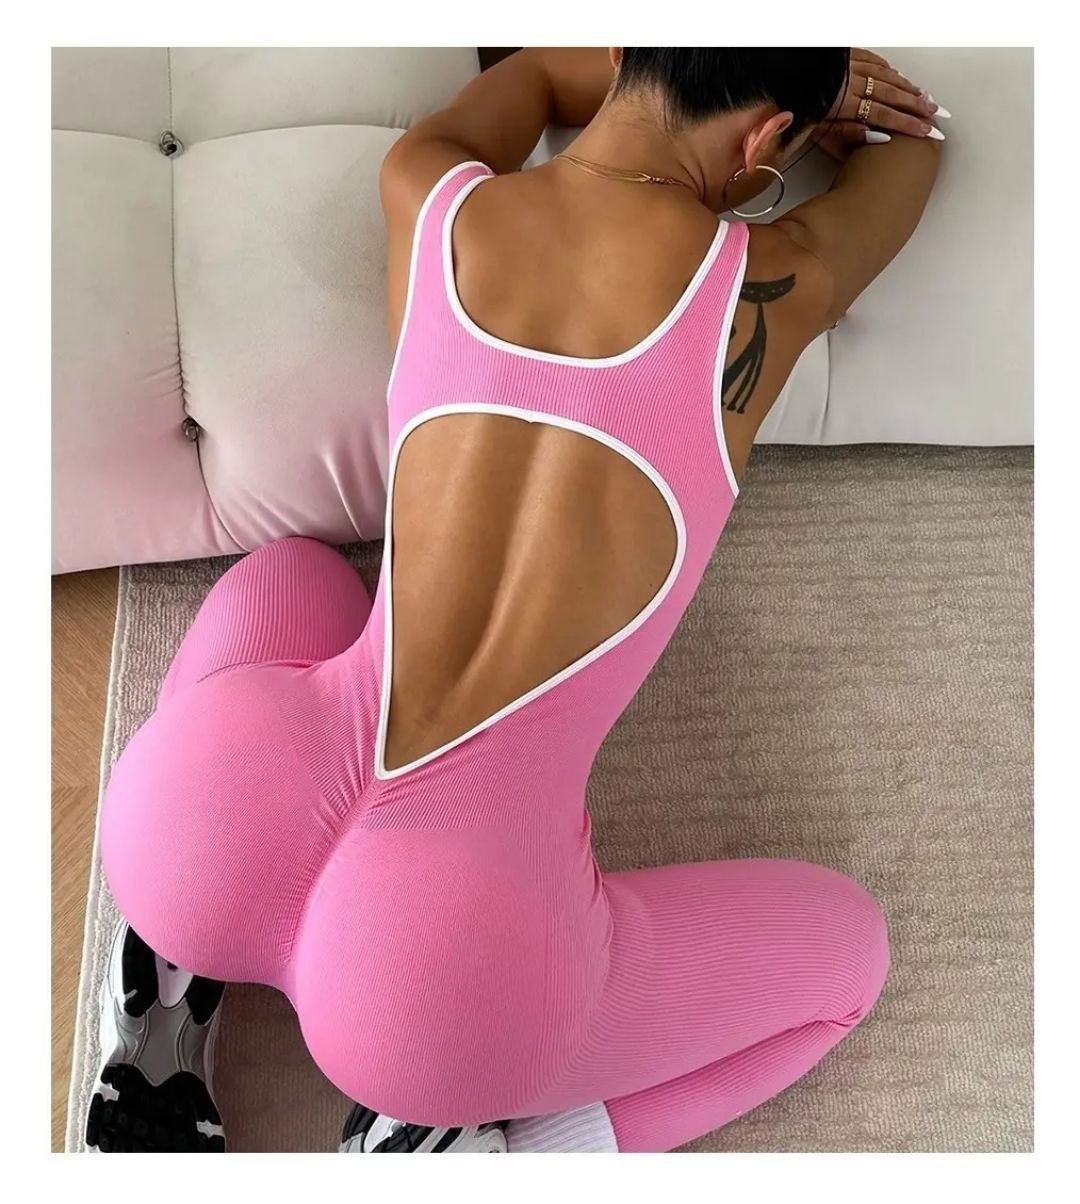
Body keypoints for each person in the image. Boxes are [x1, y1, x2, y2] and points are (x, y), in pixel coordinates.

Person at [90, 47, 944, 1153]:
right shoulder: (771, 287)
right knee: (848, 961)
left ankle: (162, 994)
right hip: (437, 980)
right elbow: (915, 150)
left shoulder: (432, 187)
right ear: (763, 139)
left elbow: (538, 73)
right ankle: (475, 1147)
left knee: (294, 574)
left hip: (198, 826)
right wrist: (831, 97)